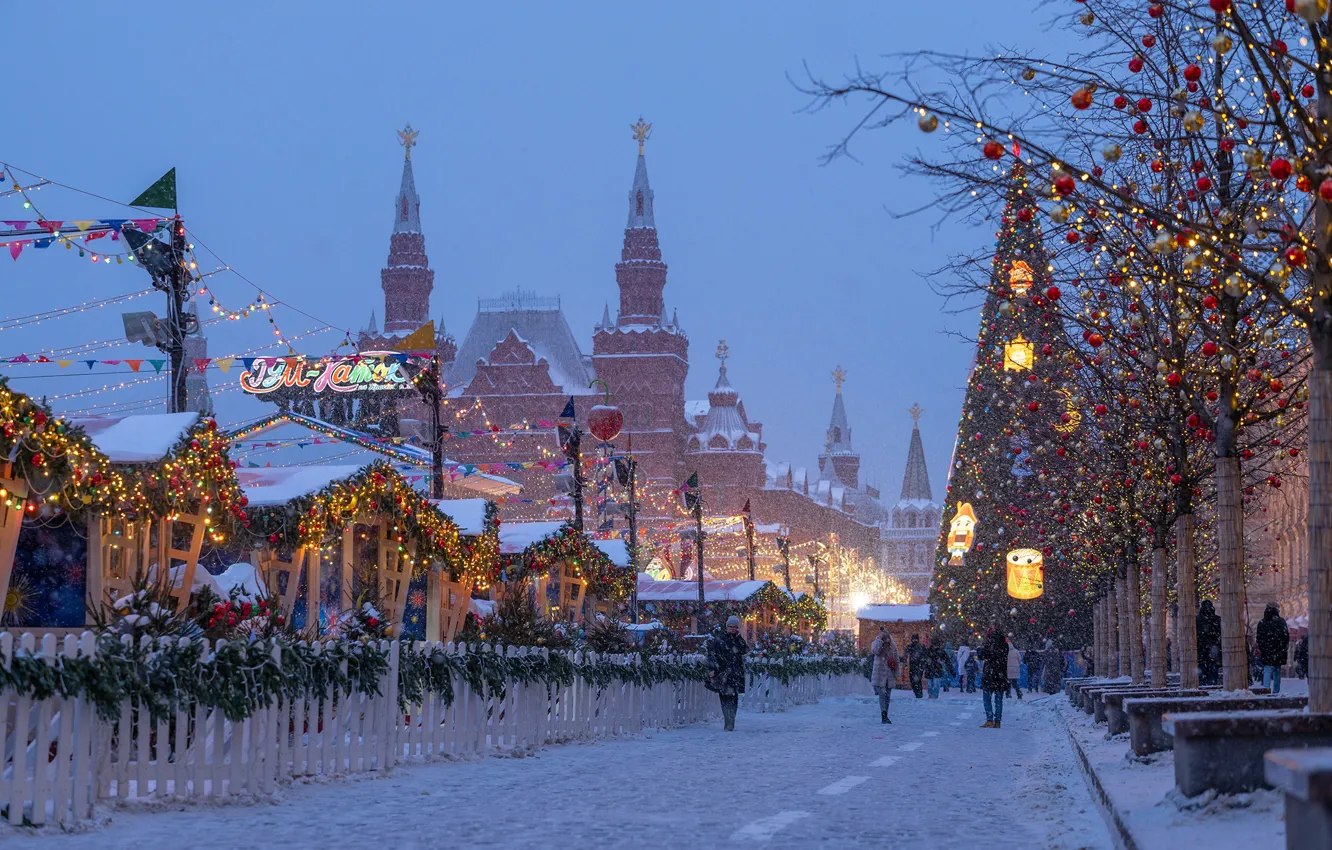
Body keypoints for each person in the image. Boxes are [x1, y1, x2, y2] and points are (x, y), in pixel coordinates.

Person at [704, 615, 748, 731]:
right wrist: (712, 669)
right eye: (731, 626)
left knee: (734, 698)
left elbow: (745, 650)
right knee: (724, 698)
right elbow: (712, 654)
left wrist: (739, 638)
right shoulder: (719, 639)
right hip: (723, 673)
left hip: (735, 673)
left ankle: (731, 721)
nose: (733, 629)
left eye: (735, 627)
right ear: (727, 626)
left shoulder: (738, 640)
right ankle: (727, 721)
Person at [1256, 603, 1290, 695]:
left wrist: (1263, 647)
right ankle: (1276, 690)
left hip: (1267, 651)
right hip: (1279, 650)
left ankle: (1266, 689)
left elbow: (1259, 638)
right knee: (1277, 671)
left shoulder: (1262, 622)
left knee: (1267, 669)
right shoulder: (1281, 621)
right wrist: (1283, 646)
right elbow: (1285, 635)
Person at [979, 628, 1009, 728]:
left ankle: (989, 719)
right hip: (1000, 675)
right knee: (998, 699)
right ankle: (998, 721)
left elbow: (982, 656)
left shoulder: (988, 645)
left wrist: (981, 649)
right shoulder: (1005, 646)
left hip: (989, 674)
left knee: (987, 698)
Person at [869, 626, 900, 724]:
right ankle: (883, 715)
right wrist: (880, 640)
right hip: (880, 674)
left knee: (887, 696)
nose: (886, 640)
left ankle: (886, 713)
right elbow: (875, 651)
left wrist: (896, 673)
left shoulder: (893, 646)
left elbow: (896, 660)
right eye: (884, 638)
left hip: (889, 675)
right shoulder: (876, 643)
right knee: (882, 695)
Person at [1196, 600, 1222, 686]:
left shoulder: (1196, 620)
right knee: (1213, 670)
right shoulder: (1217, 620)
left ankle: (1203, 686)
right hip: (1214, 649)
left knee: (1202, 670)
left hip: (1201, 650)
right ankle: (1212, 685)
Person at [924, 634, 945, 699]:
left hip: (937, 670)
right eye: (934, 644)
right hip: (929, 670)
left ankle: (934, 697)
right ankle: (930, 694)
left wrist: (951, 670)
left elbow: (947, 660)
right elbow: (923, 660)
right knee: (929, 685)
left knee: (936, 685)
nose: (935, 646)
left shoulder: (941, 651)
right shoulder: (928, 651)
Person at [906, 634, 926, 698]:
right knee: (912, 681)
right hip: (912, 667)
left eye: (916, 639)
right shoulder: (910, 646)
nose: (915, 640)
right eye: (913, 639)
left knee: (918, 681)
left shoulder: (921, 646)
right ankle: (917, 693)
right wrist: (903, 660)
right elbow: (905, 654)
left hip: (919, 667)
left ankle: (919, 694)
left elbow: (925, 655)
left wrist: (923, 664)